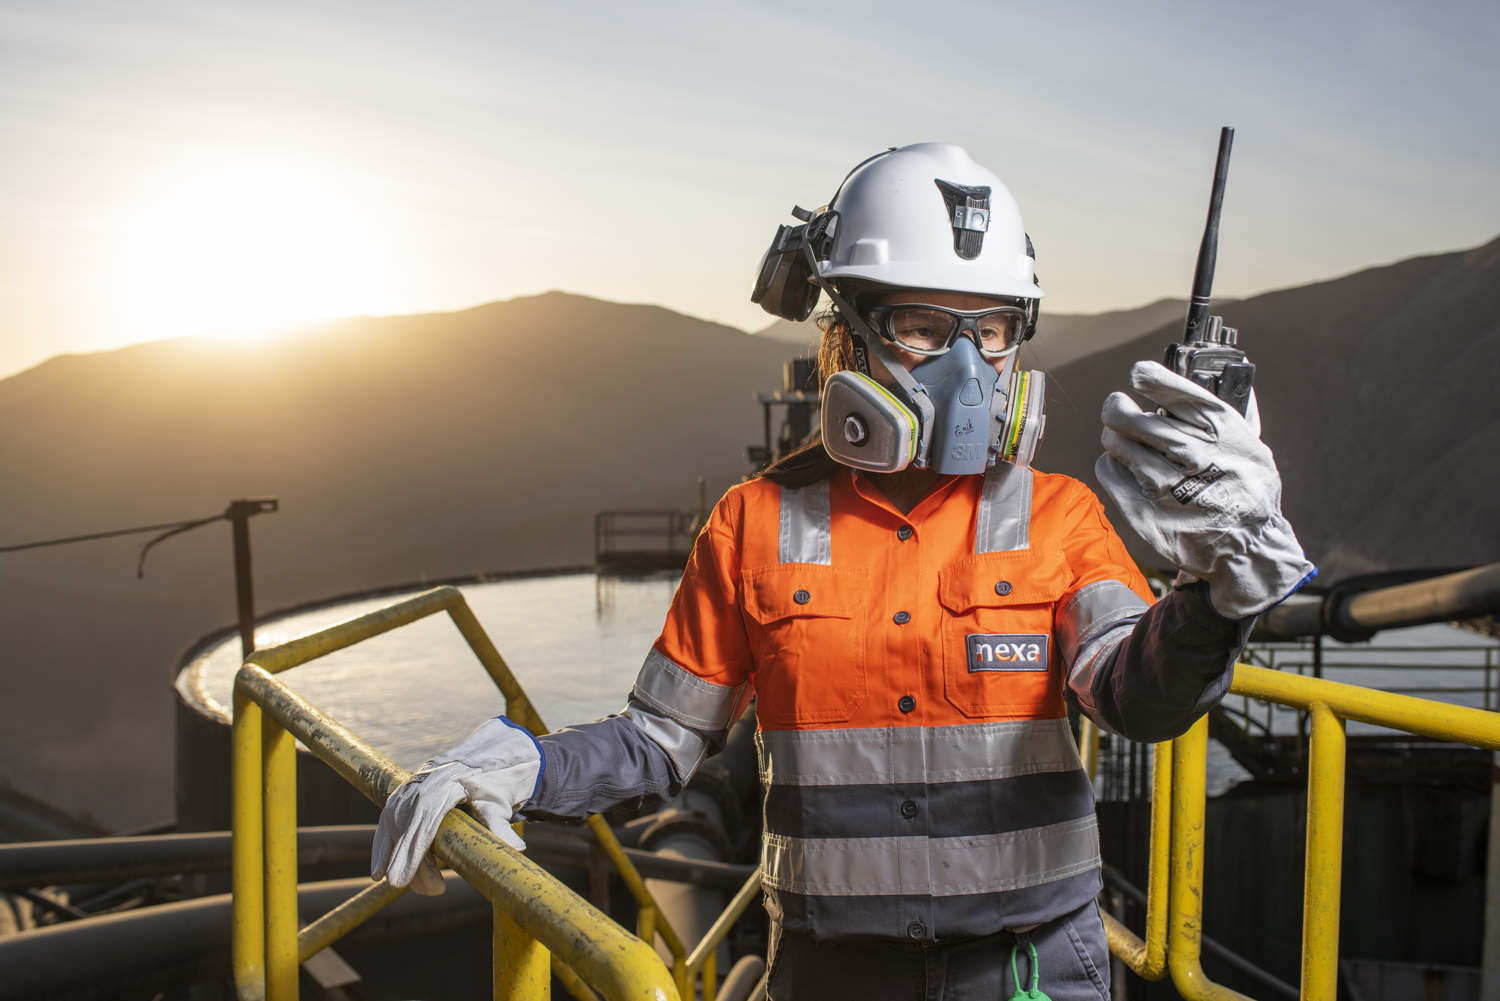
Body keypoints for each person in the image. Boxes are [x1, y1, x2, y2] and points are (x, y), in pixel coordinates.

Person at [370, 143, 1315, 1000]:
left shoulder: (1058, 514)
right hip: (833, 974)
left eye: (991, 330)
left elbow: (1137, 696)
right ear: (846, 331)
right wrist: (527, 765)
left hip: (1032, 969)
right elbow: (659, 741)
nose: (966, 366)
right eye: (920, 324)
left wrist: (1215, 590)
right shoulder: (753, 525)